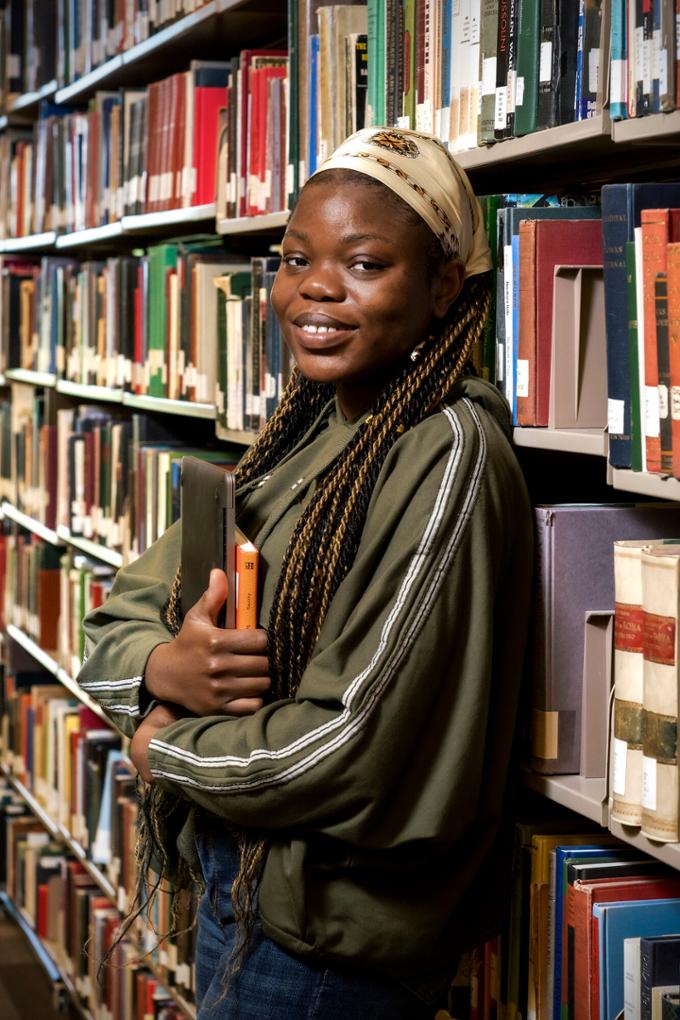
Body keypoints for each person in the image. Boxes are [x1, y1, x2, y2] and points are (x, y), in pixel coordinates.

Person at [77, 127, 533, 1019]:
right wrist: (165, 669)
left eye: (364, 263)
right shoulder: (309, 435)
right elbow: (117, 614)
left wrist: (160, 745)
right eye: (294, 259)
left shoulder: (445, 460)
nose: (316, 288)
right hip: (245, 889)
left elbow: (343, 747)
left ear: (444, 286)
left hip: (332, 946)